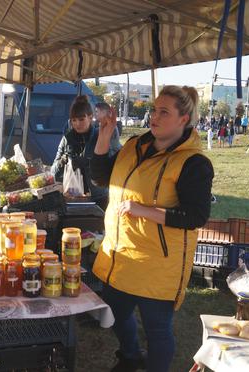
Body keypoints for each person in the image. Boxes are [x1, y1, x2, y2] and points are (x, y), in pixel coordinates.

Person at [90, 85, 214, 372]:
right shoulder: (135, 145)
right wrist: (104, 137)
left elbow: (196, 215)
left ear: (184, 119)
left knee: (157, 331)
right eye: (154, 109)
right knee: (116, 314)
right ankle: (131, 356)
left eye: (163, 112)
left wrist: (143, 210)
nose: (154, 116)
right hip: (120, 255)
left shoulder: (193, 163)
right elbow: (100, 178)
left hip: (159, 265)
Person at [51, 96, 122, 208]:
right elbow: (53, 172)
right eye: (74, 120)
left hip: (98, 197)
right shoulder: (67, 139)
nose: (77, 124)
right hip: (71, 197)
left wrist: (88, 163)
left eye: (81, 119)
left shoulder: (100, 135)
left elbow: (113, 162)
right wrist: (63, 161)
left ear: (90, 117)